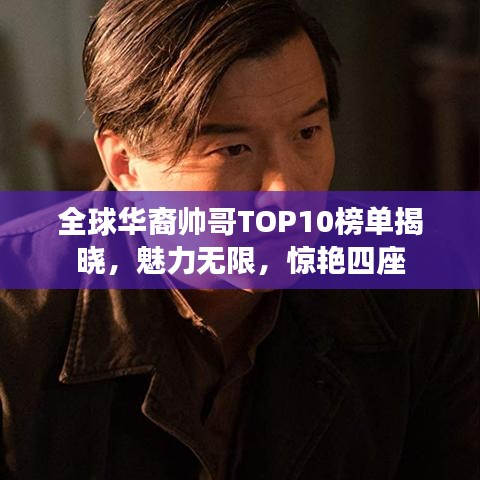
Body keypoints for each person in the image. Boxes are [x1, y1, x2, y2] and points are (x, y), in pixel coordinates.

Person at [0, 1, 478, 479]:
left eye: (307, 132)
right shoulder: (13, 314)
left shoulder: (419, 289)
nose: (286, 193)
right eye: (233, 149)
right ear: (125, 163)